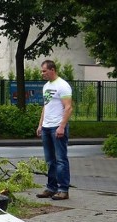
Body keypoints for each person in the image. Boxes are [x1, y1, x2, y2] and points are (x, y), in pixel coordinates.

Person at [36, 59, 73, 201]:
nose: (42, 73)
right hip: (46, 127)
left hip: (57, 127)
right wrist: (40, 125)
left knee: (61, 159)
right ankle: (51, 188)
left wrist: (62, 126)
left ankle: (63, 189)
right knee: (50, 160)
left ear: (52, 70)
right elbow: (46, 106)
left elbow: (68, 107)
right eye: (41, 71)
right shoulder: (46, 86)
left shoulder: (62, 86)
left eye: (44, 71)